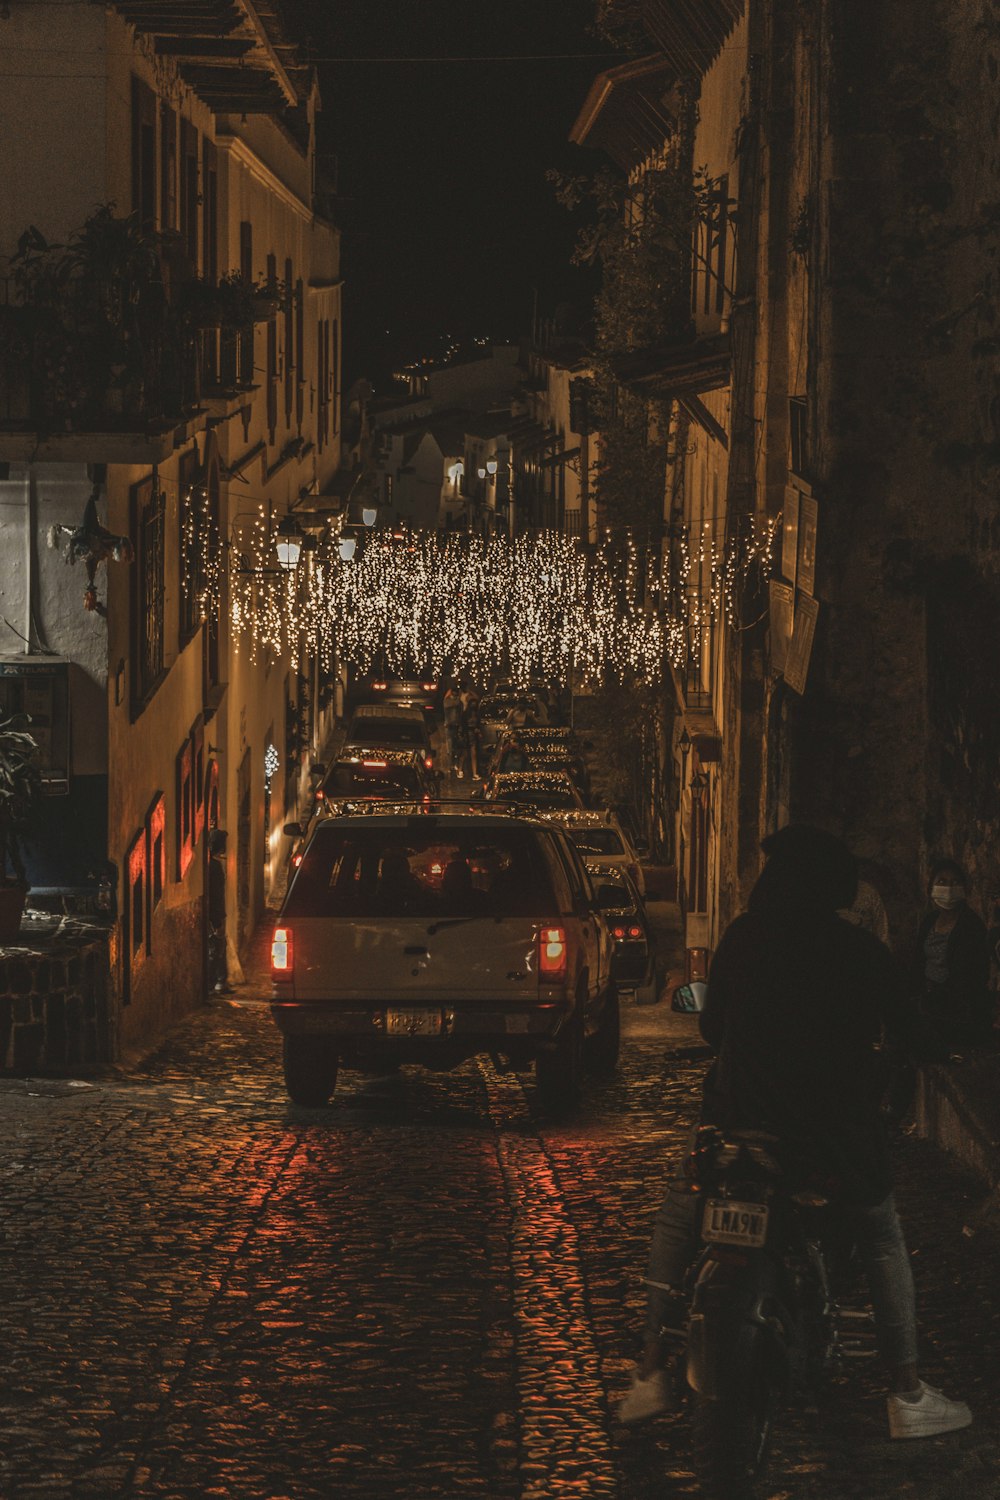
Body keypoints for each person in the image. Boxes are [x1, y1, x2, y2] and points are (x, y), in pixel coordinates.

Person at [619, 825, 971, 1441]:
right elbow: (916, 1037)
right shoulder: (860, 951)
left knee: (680, 1215)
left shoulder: (742, 938)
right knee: (882, 1235)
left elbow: (711, 1031)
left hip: (735, 1124)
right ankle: (906, 1391)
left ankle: (649, 1368)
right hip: (833, 1137)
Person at [914, 858, 992, 1050]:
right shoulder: (929, 921)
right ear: (931, 887)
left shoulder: (971, 926)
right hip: (928, 1003)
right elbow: (918, 962)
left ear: (964, 888)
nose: (948, 888)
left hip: (958, 1013)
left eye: (955, 882)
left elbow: (970, 978)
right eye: (941, 882)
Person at [207, 828, 233, 995]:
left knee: (217, 947)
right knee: (218, 947)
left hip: (216, 913)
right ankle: (217, 981)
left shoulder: (213, 865)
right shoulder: (214, 867)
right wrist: (218, 920)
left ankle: (218, 981)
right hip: (216, 915)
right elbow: (216, 894)